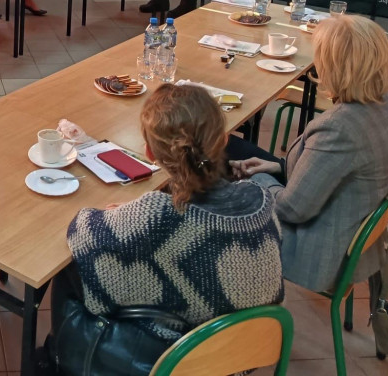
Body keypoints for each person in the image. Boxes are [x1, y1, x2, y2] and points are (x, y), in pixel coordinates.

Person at [56, 84, 282, 373]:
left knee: (76, 267)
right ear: (224, 140)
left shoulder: (156, 214)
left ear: (150, 152)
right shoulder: (259, 199)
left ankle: (60, 360)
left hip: (176, 361)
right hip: (244, 358)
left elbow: (80, 230)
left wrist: (124, 215)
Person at [230, 15, 388, 293]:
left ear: (336, 67)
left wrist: (259, 182)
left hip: (316, 245)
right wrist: (276, 168)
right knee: (229, 148)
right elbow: (338, 170)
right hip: (347, 215)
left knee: (217, 171)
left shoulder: (340, 127)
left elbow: (292, 209)